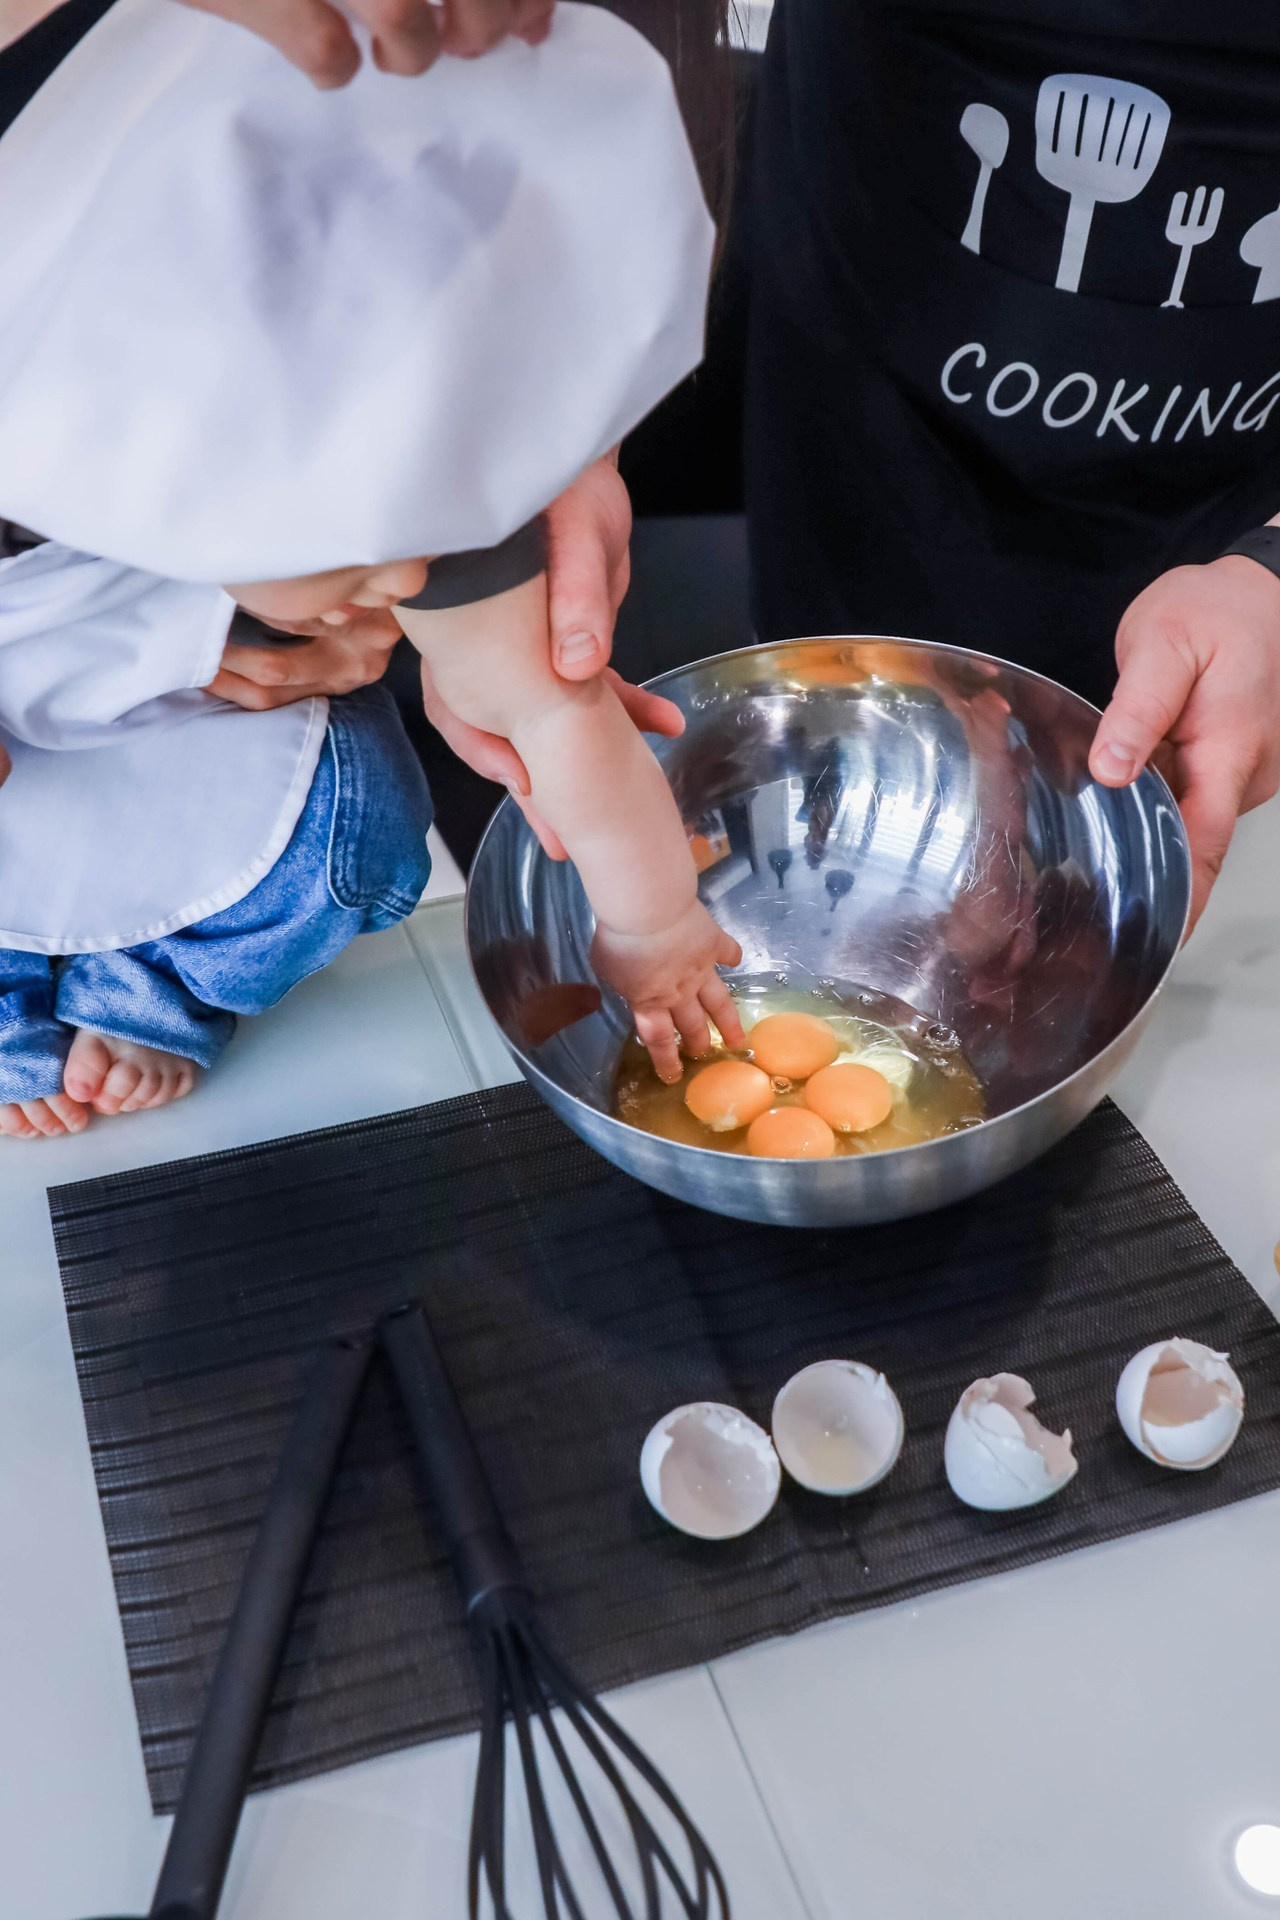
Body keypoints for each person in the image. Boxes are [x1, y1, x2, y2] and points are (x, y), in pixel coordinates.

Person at [0, 0, 739, 1134]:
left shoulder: (427, 430)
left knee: (353, 839)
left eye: (432, 531)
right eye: (350, 547)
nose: (401, 584)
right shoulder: (75, 414)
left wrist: (656, 930)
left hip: (196, 778)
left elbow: (565, 728)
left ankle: (147, 993)